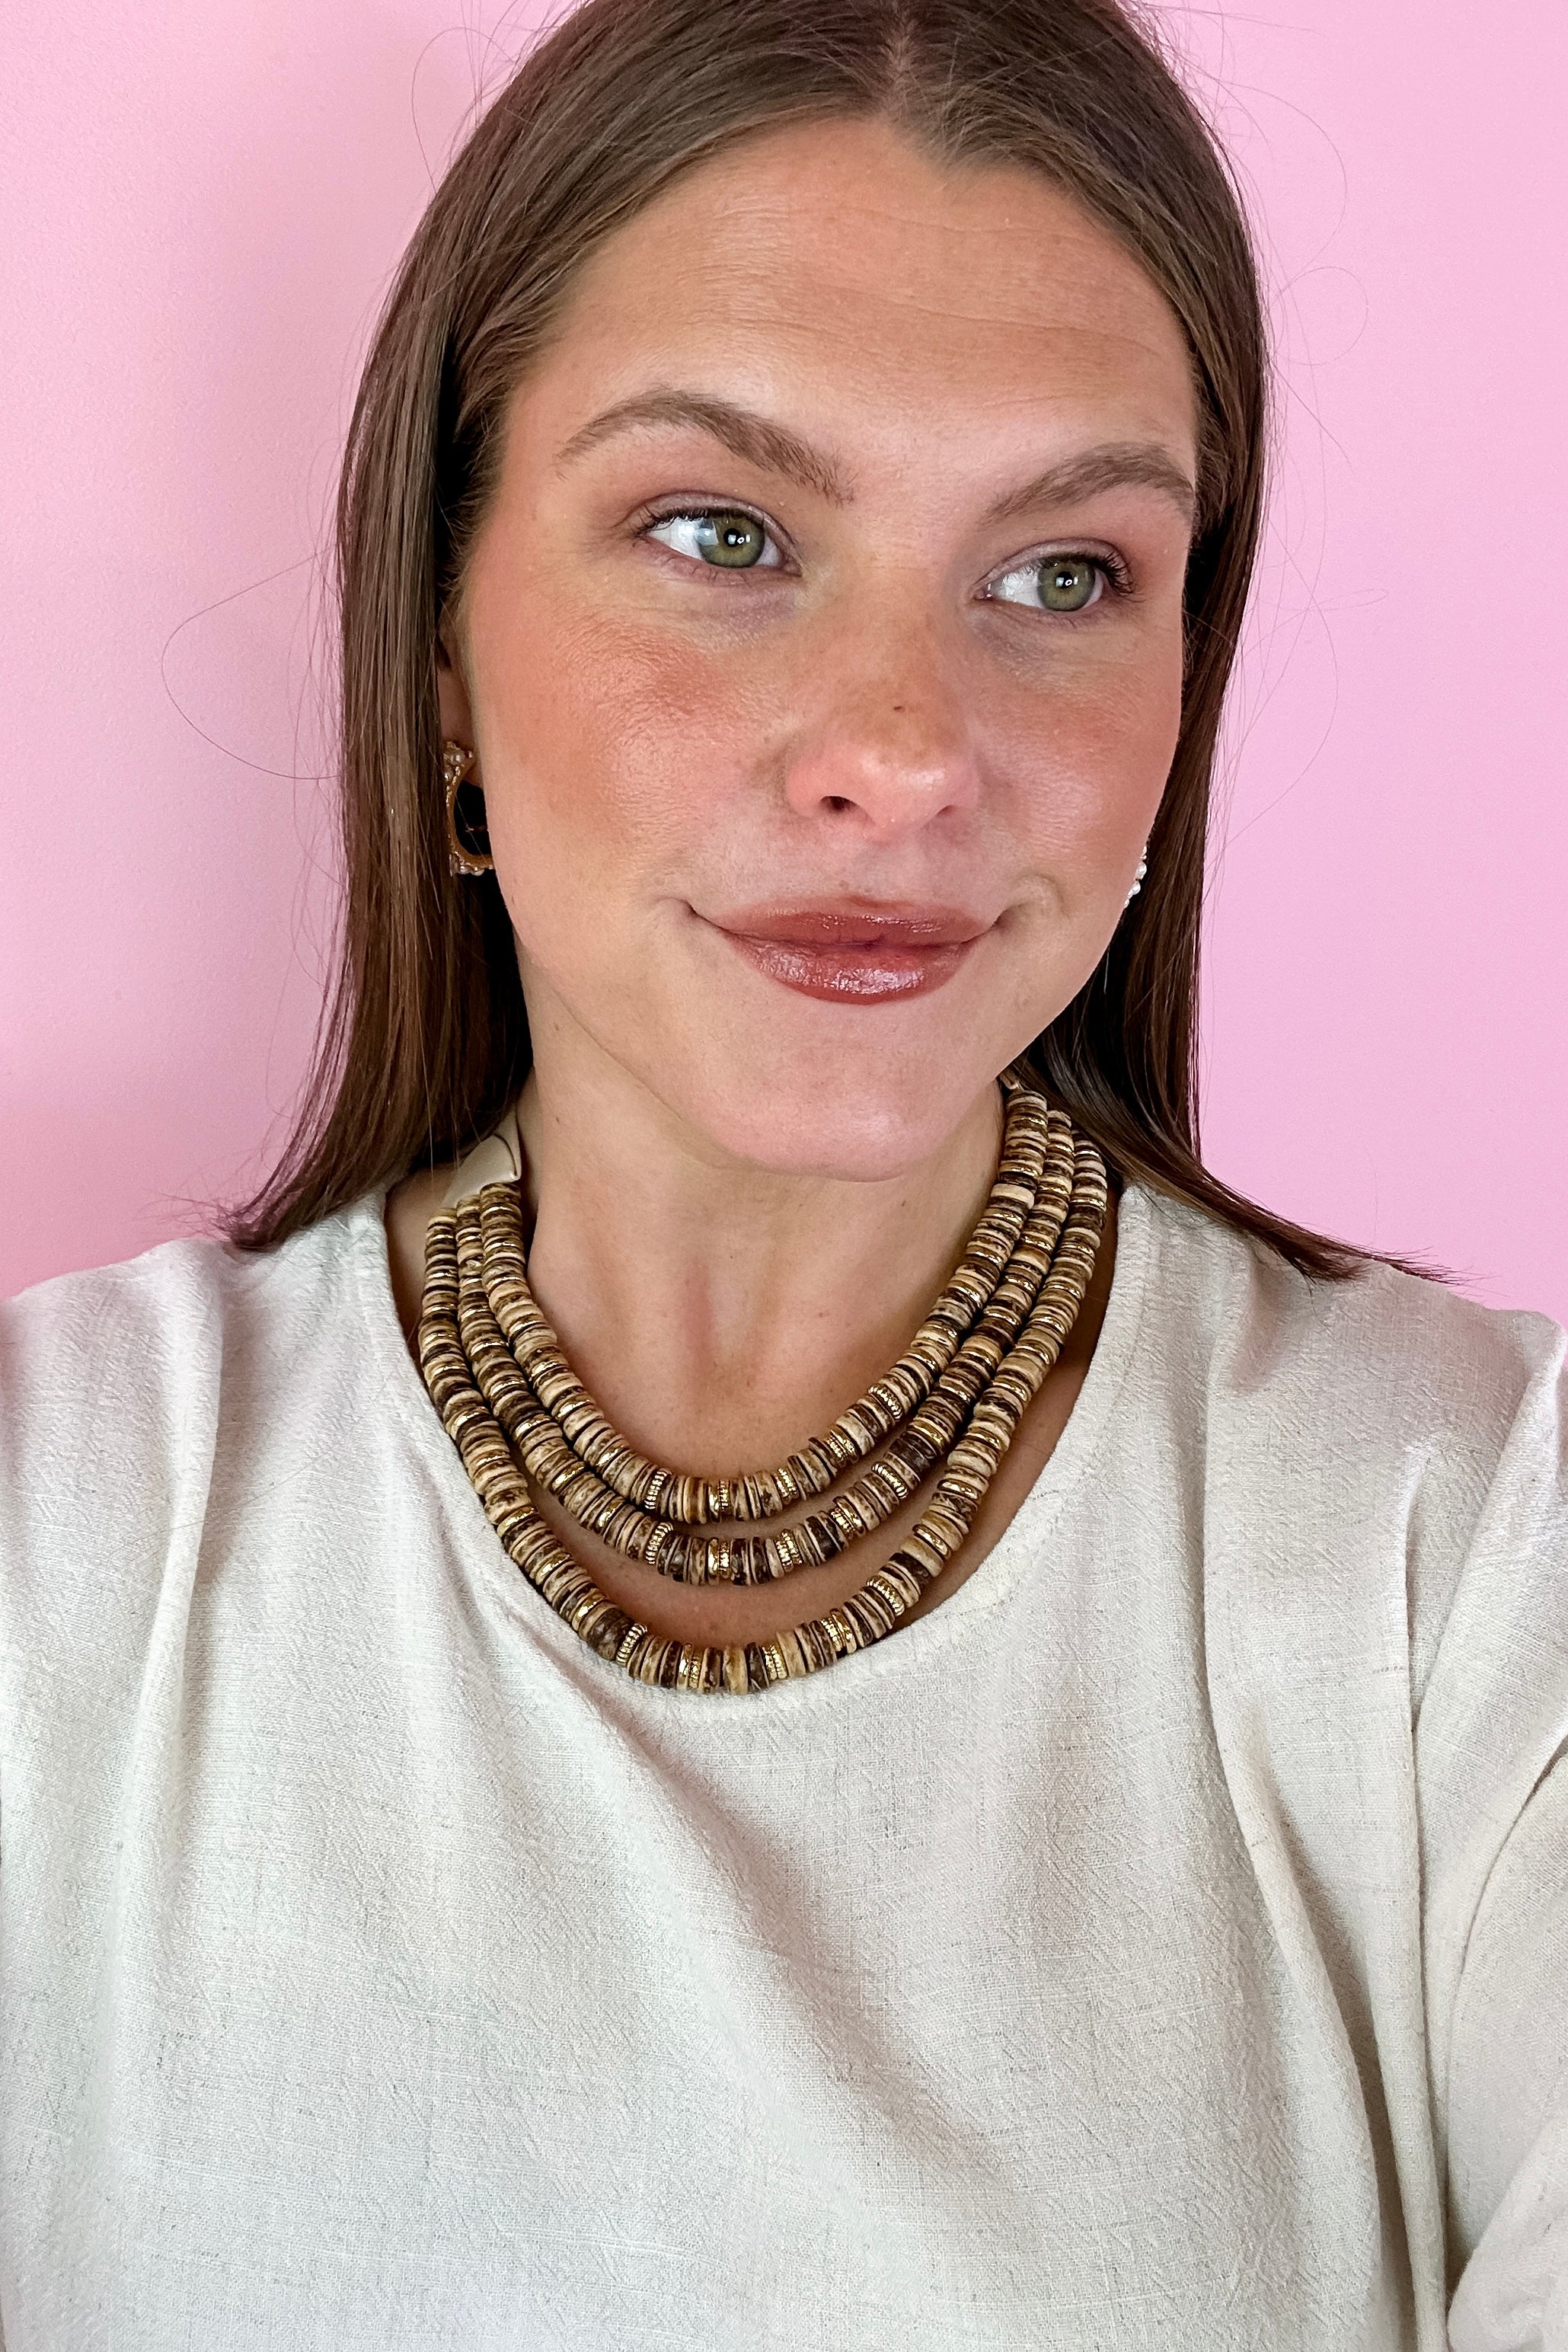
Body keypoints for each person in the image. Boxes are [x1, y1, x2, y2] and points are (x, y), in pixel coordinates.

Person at [1, 0, 1562, 2342]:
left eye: (1062, 572)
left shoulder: (1483, 1559)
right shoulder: (54, 1526)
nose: (904, 755)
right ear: (440, 650)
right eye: (719, 533)